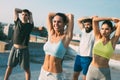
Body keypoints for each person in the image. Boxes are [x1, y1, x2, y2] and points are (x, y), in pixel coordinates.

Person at [38, 12, 74, 80]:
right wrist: (59, 15)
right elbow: (49, 15)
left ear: (64, 24)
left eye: (59, 22)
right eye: (54, 21)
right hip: (43, 72)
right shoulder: (50, 34)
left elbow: (71, 16)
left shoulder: (66, 38)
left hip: (55, 75)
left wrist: (64, 16)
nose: (56, 24)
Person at [4, 8, 34, 80]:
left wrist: (29, 13)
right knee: (9, 67)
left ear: (28, 17)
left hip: (24, 50)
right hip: (14, 49)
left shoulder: (30, 25)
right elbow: (15, 10)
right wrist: (23, 11)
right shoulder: (17, 22)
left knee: (26, 69)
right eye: (22, 14)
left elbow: (31, 14)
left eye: (26, 15)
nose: (23, 16)